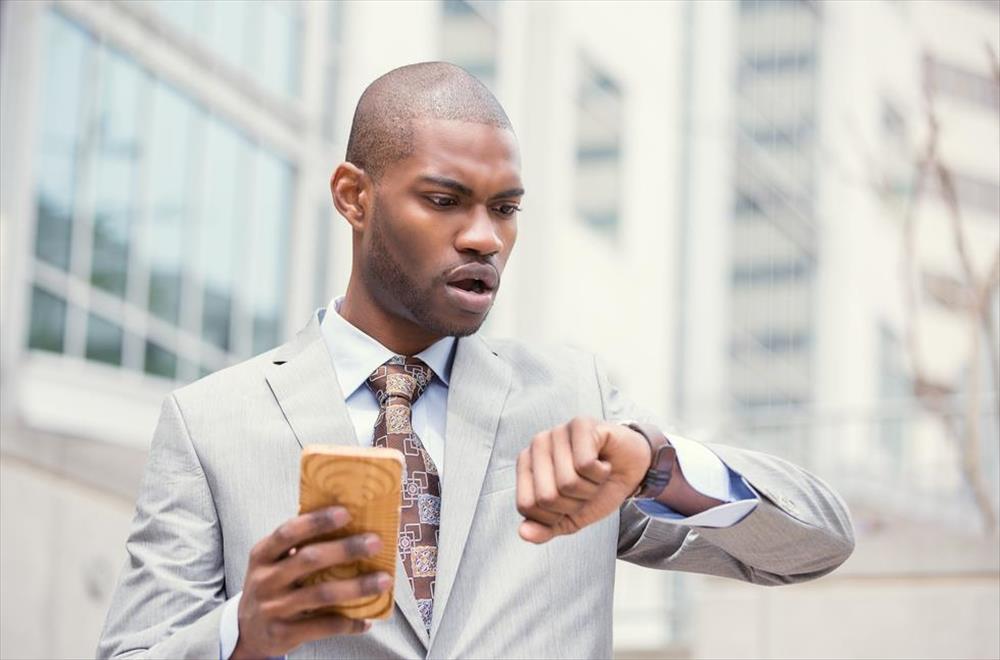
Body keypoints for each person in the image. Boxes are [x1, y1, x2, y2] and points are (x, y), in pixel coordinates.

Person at [97, 62, 854, 660]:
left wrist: (654, 463)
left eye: (505, 207)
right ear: (353, 197)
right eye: (445, 199)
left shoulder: (574, 405)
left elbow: (812, 546)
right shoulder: (210, 425)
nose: (485, 238)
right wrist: (244, 634)